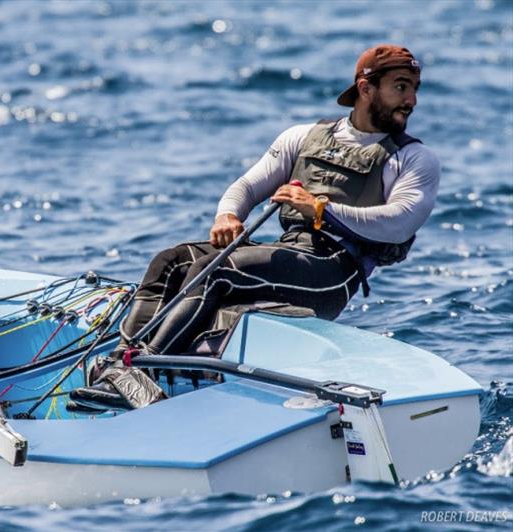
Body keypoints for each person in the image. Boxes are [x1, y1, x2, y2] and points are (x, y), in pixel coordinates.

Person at [70, 44, 440, 411]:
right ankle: (118, 368)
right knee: (171, 261)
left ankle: (142, 370)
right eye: (401, 87)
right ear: (365, 88)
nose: (411, 100)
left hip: (333, 270)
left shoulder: (412, 158)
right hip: (289, 252)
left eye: (414, 89)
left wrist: (320, 209)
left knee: (217, 272)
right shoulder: (302, 137)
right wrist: (228, 216)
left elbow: (399, 222)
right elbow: (246, 187)